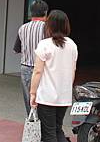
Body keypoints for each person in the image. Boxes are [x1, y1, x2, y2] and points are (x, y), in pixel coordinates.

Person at [30, 10, 78, 142]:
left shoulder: (44, 44)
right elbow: (73, 71)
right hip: (64, 96)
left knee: (48, 133)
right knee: (57, 129)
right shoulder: (72, 45)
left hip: (47, 97)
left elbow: (37, 71)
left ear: (49, 25)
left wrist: (32, 93)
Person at [13, 0, 48, 114]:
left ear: (31, 13)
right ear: (45, 13)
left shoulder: (23, 28)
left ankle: (31, 121)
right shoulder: (47, 28)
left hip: (26, 68)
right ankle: (43, 122)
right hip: (43, 68)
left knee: (30, 101)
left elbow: (16, 49)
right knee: (44, 100)